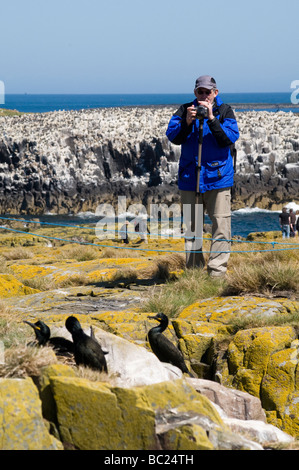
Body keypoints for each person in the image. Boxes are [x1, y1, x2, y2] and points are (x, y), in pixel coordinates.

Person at [166, 75, 239, 278]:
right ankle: (194, 274)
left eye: (209, 92)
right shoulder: (184, 110)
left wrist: (212, 119)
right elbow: (172, 136)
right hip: (191, 178)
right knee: (192, 228)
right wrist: (187, 122)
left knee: (221, 226)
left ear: (216, 93)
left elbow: (230, 138)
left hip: (218, 178)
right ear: (195, 92)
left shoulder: (225, 111)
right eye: (201, 91)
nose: (204, 96)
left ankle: (216, 273)